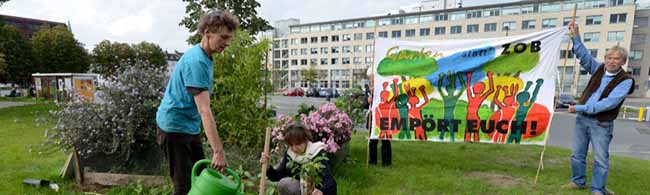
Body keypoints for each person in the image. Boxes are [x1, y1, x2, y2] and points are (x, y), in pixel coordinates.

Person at [155, 9, 239, 195]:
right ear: (207, 31)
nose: (226, 43)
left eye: (229, 39)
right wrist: (218, 151)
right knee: (184, 186)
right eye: (223, 37)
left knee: (201, 176)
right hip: (174, 127)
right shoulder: (196, 62)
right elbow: (204, 110)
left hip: (189, 126)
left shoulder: (205, 55)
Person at [563, 20, 635, 195]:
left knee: (600, 159)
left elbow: (607, 104)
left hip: (601, 124)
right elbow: (585, 57)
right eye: (609, 58)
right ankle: (578, 182)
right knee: (577, 154)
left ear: (623, 61)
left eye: (616, 58)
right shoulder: (599, 69)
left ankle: (597, 189)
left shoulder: (626, 80)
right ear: (605, 59)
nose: (611, 61)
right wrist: (576, 37)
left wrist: (579, 108)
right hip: (583, 121)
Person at [260, 123, 337, 195]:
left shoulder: (317, 152)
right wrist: (268, 166)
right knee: (284, 184)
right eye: (291, 145)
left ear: (306, 140)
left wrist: (321, 192)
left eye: (298, 144)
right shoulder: (290, 154)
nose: (294, 148)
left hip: (316, 192)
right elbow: (277, 176)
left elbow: (330, 182)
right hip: (302, 190)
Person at [364, 67, 392, 166]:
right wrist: (367, 101)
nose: (371, 80)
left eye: (372, 77)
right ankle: (372, 161)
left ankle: (386, 162)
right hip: (373, 115)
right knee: (373, 139)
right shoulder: (368, 88)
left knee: (385, 139)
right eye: (369, 78)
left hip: (383, 115)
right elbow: (365, 105)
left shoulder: (383, 87)